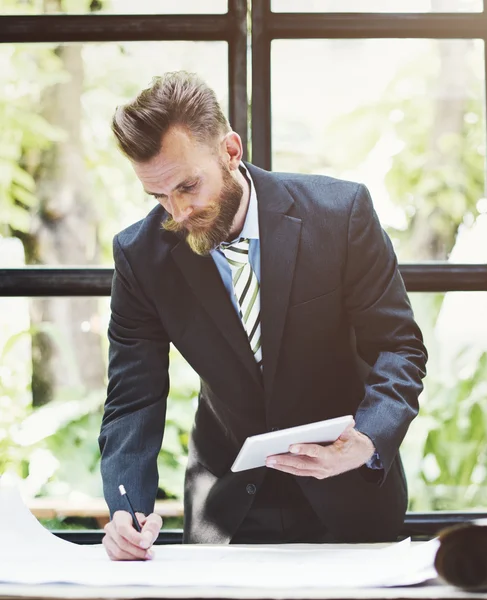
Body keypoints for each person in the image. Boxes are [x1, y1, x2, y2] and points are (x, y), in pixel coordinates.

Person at [99, 71, 427, 561]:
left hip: (349, 495)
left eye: (188, 186)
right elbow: (133, 397)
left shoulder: (341, 214)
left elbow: (398, 347)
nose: (178, 212)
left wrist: (366, 439)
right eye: (158, 197)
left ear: (230, 151)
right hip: (226, 506)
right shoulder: (140, 255)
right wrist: (126, 505)